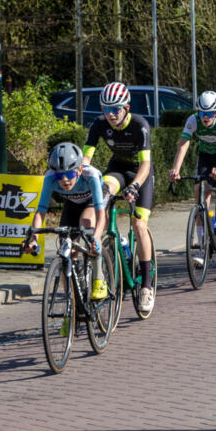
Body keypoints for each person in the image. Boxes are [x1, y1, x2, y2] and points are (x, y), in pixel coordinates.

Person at [81, 81, 156, 314]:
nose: (111, 114)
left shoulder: (139, 125)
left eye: (115, 109)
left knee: (139, 224)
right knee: (102, 196)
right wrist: (81, 175)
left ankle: (146, 286)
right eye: (106, 109)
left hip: (140, 174)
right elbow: (86, 158)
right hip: (117, 170)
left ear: (126, 107)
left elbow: (145, 164)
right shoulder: (99, 124)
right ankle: (114, 247)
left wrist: (135, 186)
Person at [22, 142, 109, 317]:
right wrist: (33, 238)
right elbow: (41, 212)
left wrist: (97, 237)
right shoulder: (50, 179)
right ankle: (74, 302)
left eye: (69, 174)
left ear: (79, 170)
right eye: (59, 175)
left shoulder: (90, 175)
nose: (64, 180)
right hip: (72, 204)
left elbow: (100, 214)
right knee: (66, 252)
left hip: (93, 202)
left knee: (87, 225)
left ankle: (98, 279)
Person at [168, 91, 216, 263]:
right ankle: (202, 249)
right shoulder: (193, 120)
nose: (205, 117)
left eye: (209, 113)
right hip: (206, 155)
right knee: (200, 196)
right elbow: (183, 145)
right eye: (202, 113)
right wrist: (176, 169)